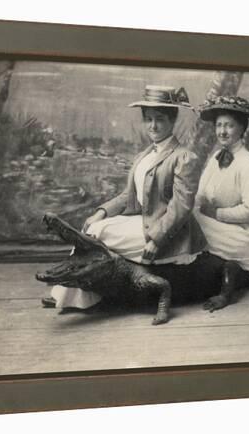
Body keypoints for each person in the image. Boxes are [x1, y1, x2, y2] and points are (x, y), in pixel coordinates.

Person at [42, 85, 206, 310]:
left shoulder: (183, 157)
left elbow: (181, 207)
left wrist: (157, 239)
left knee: (97, 233)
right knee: (93, 227)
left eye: (160, 119)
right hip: (143, 221)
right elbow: (129, 195)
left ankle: (75, 297)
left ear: (172, 120)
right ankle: (71, 295)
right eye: (148, 119)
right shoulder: (145, 155)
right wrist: (101, 211)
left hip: (169, 232)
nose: (153, 126)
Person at [193, 95, 249, 311]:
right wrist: (191, 209)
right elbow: (200, 194)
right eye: (219, 125)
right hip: (218, 227)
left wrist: (214, 213)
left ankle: (225, 281)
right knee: (186, 221)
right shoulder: (217, 156)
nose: (222, 131)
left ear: (241, 128)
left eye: (229, 125)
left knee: (191, 230)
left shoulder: (248, 164)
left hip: (243, 234)